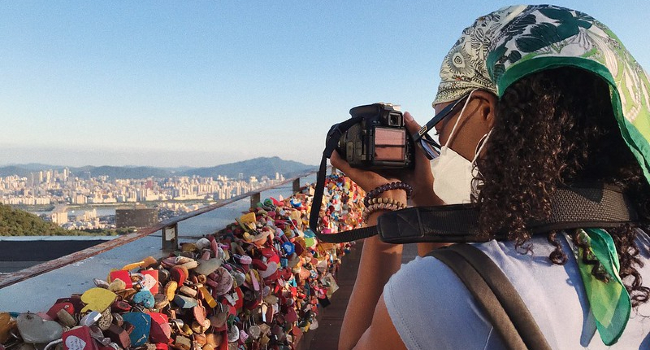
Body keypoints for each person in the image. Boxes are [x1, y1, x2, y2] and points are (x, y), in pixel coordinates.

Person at [331, 4, 650, 349]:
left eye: (442, 121)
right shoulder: (640, 248)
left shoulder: (442, 294)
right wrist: (423, 194)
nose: (437, 138)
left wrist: (386, 203)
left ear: (484, 110)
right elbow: (456, 264)